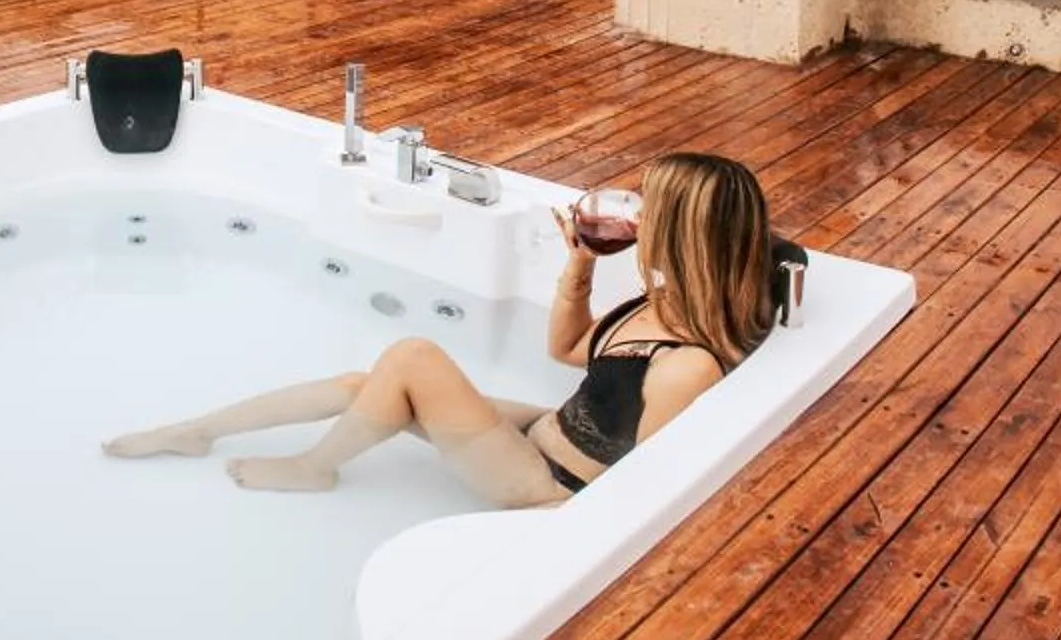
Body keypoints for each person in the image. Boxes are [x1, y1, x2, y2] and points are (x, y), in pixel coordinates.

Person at [102, 152, 778, 509]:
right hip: (543, 433)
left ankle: (314, 469)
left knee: (415, 357)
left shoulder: (687, 365)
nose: (634, 214)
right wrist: (578, 265)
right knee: (367, 383)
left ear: (683, 233)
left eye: (649, 206)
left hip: (544, 483)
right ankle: (201, 430)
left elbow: (644, 495)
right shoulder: (659, 304)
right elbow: (567, 350)